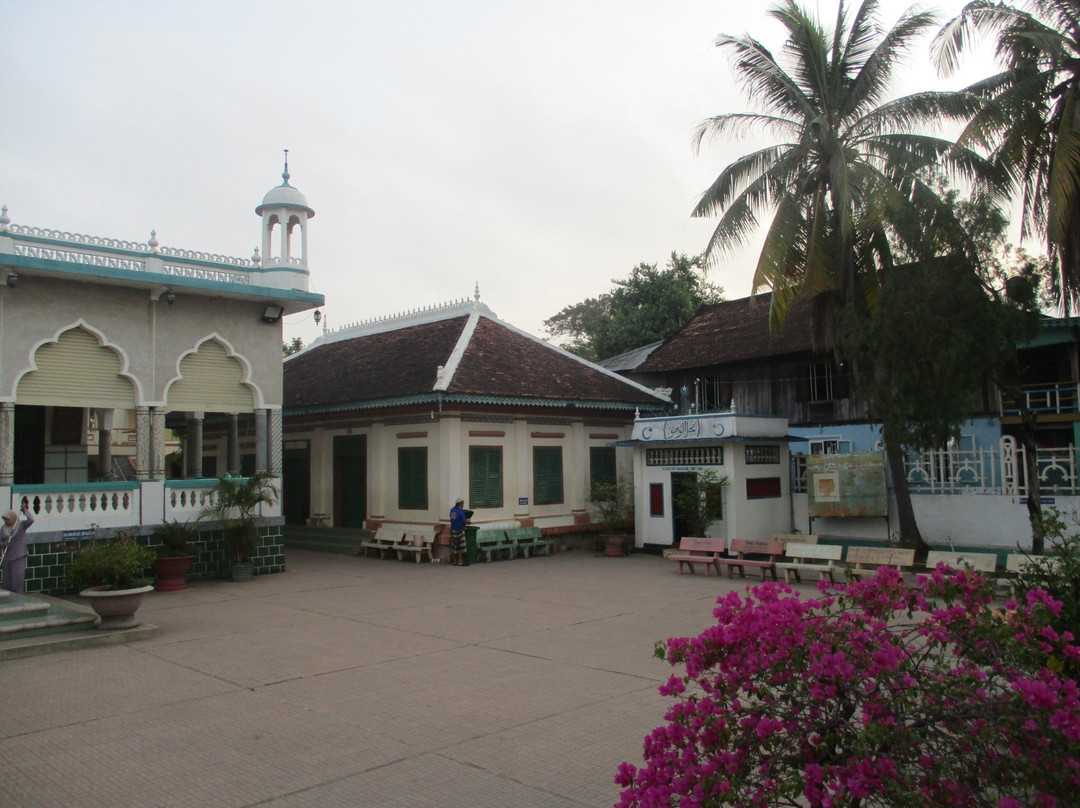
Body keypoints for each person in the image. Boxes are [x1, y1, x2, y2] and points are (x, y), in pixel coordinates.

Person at [1, 497, 35, 594]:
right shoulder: (3, 528)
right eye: (4, 519)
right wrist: (4, 543)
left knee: (17, 579)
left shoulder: (20, 525)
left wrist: (25, 510)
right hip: (7, 556)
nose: (6, 521)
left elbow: (31, 520)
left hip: (18, 556)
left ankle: (18, 597)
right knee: (7, 581)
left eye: (7, 519)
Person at [449, 497, 469, 567]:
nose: (463, 505)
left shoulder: (452, 510)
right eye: (462, 503)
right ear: (460, 503)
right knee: (461, 546)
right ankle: (460, 561)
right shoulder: (461, 512)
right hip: (460, 530)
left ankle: (455, 561)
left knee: (455, 545)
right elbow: (464, 521)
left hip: (453, 530)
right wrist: (468, 522)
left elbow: (452, 519)